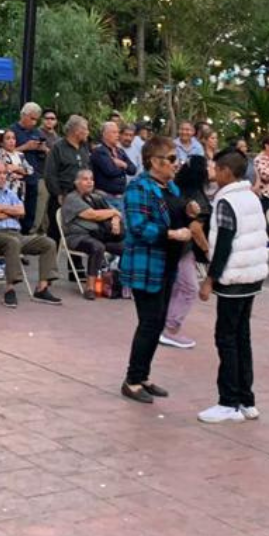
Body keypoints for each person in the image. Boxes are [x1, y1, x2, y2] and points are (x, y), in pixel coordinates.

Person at [196, 149, 267, 423]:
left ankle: (228, 402)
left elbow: (224, 244)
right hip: (251, 276)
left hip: (234, 278)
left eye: (215, 167)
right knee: (241, 337)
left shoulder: (227, 202)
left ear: (226, 171)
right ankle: (246, 400)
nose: (212, 172)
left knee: (226, 338)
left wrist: (210, 279)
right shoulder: (251, 197)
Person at [120, 137, 191, 404]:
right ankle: (132, 380)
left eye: (176, 159)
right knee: (149, 323)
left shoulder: (169, 186)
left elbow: (176, 212)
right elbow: (138, 226)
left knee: (158, 322)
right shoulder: (139, 188)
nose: (176, 164)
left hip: (167, 263)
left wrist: (188, 211)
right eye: (171, 159)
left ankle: (143, 376)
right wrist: (171, 233)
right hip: (146, 264)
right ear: (154, 161)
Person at [0, 158, 63, 308]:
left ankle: (42, 288)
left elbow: (21, 211)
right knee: (12, 242)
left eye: (4, 173)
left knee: (48, 243)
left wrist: (0, 208)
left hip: (16, 234)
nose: (2, 176)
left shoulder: (9, 192)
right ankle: (10, 289)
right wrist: (10, 211)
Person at [163, 155, 210, 350]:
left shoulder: (174, 188)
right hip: (182, 248)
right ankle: (169, 329)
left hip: (170, 244)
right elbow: (196, 228)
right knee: (189, 288)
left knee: (176, 288)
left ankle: (164, 324)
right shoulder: (196, 197)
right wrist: (208, 251)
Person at [60, 169, 125, 298]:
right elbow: (93, 215)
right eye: (85, 179)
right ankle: (90, 288)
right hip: (77, 237)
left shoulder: (95, 197)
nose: (89, 182)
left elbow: (115, 212)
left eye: (91, 179)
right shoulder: (72, 198)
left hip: (98, 235)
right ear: (76, 182)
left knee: (126, 248)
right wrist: (113, 213)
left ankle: (119, 283)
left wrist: (116, 220)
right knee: (97, 247)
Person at [44, 116, 92, 242]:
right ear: (76, 130)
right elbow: (50, 174)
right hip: (63, 195)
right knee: (56, 232)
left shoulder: (84, 147)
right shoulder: (58, 148)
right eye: (85, 129)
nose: (88, 132)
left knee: (79, 231)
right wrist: (58, 193)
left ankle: (76, 261)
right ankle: (51, 260)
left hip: (81, 197)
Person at [90, 121, 138, 205]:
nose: (118, 135)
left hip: (120, 197)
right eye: (114, 132)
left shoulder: (120, 151)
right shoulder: (99, 151)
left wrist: (123, 164)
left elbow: (133, 170)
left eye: (118, 132)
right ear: (105, 134)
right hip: (105, 197)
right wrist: (125, 168)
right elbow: (110, 171)